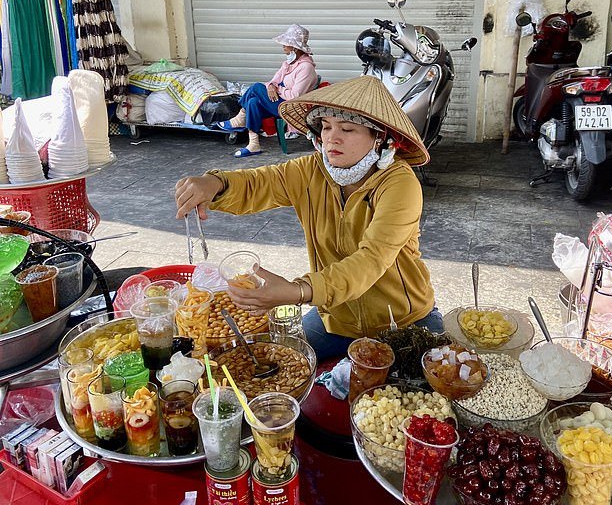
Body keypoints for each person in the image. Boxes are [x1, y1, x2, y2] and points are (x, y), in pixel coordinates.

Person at [175, 76, 442, 361]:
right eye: (326, 127)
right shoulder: (311, 171)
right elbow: (259, 183)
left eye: (348, 129)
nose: (331, 138)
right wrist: (215, 184)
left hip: (405, 320)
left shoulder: (399, 183)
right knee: (278, 363)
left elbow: (371, 260)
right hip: (337, 319)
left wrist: (298, 291)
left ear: (380, 138)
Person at [219, 24, 318, 157]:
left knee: (256, 88)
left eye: (286, 44)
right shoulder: (288, 64)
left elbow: (295, 95)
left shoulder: (306, 68)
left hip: (291, 107)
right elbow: (273, 81)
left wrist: (278, 89)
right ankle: (253, 144)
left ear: (294, 47)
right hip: (278, 102)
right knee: (253, 102)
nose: (283, 47)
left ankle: (240, 117)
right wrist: (271, 86)